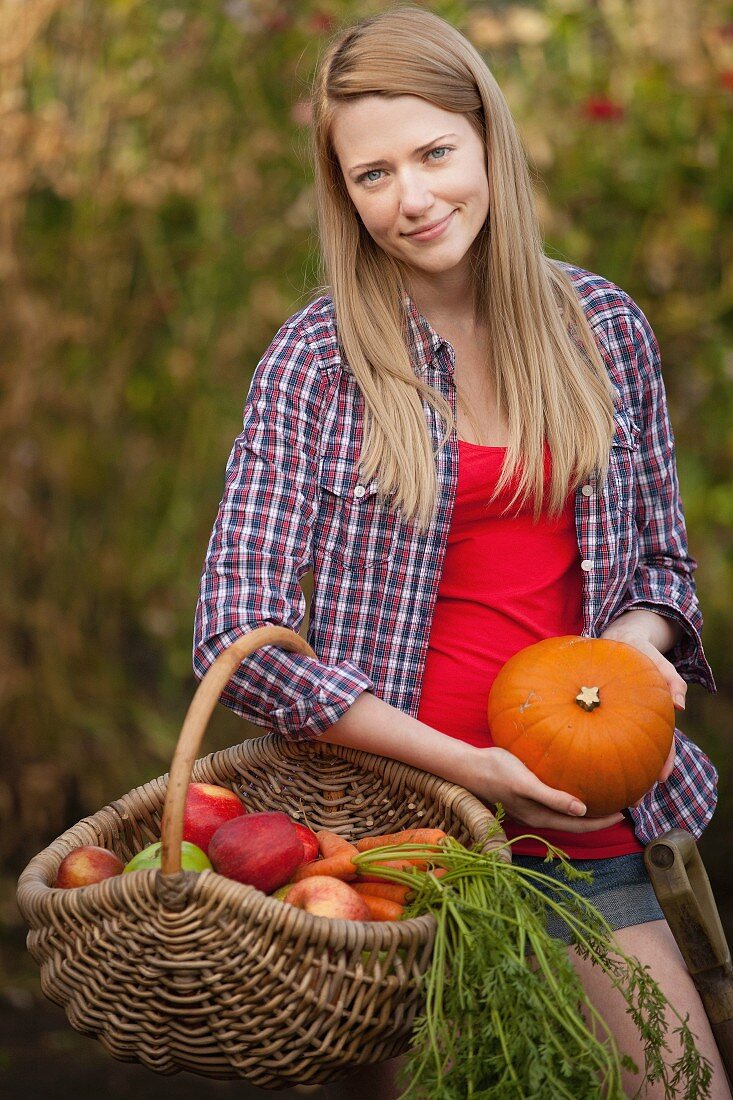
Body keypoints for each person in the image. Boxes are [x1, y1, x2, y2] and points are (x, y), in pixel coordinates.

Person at [194, 7, 728, 1097]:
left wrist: (624, 655)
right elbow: (234, 628)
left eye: (435, 153)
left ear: (489, 139)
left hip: (578, 808)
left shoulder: (603, 328)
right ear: (342, 191)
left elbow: (664, 572)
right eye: (372, 173)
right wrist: (468, 767)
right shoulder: (318, 359)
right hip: (395, 841)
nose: (413, 197)